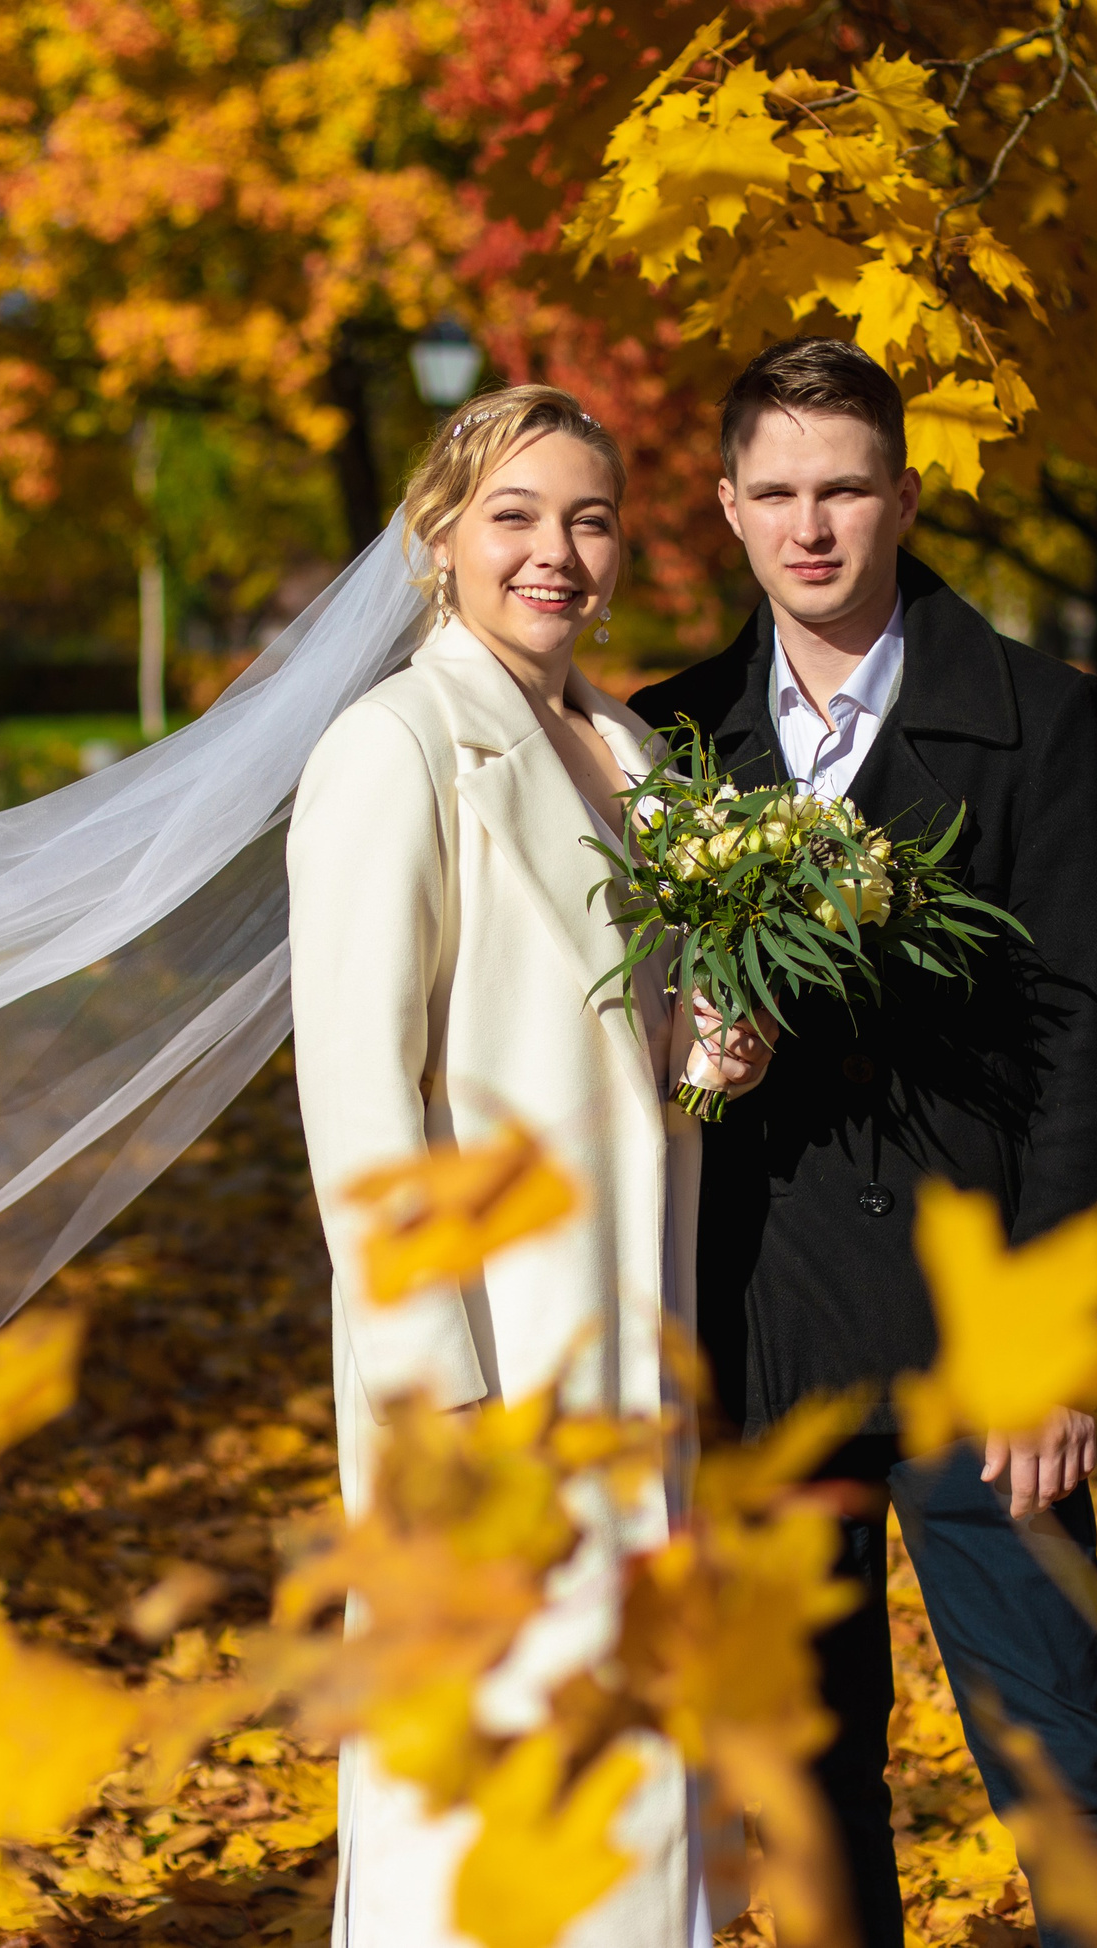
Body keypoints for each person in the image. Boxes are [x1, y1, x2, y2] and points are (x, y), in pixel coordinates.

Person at [627, 337, 1097, 1947]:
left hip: (974, 1340)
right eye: (777, 492)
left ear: (905, 497)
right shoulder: (669, 742)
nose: (812, 528)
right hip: (768, 1334)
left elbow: (1096, 1051)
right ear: (726, 507)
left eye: (846, 489)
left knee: (1061, 1756)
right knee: (810, 1778)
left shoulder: (1042, 725)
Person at [286, 384, 769, 1948]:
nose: (555, 552)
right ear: (438, 540)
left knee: (632, 1769)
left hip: (636, 1345)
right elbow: (362, 1096)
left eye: (588, 518)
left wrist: (710, 1054)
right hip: (489, 1367)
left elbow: (615, 1043)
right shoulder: (396, 749)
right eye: (515, 516)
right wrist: (442, 1389)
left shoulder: (629, 747)